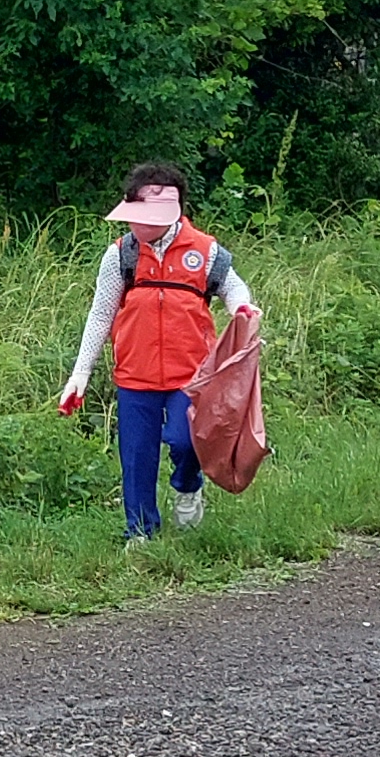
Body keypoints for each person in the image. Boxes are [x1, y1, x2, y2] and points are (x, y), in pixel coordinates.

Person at [55, 161, 253, 541]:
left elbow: (233, 288)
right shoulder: (120, 257)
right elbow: (99, 316)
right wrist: (79, 375)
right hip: (135, 376)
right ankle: (140, 534)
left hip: (192, 376)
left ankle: (188, 485)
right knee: (136, 458)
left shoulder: (206, 252)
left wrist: (242, 308)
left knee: (186, 440)